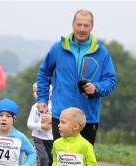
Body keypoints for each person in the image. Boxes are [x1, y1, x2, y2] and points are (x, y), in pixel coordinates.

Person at [37, 9, 117, 145]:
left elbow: (111, 80)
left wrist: (96, 88)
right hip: (61, 116)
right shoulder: (58, 48)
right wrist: (43, 98)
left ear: (92, 27)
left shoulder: (101, 52)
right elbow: (44, 73)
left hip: (87, 117)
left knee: (83, 163)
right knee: (62, 160)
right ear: (73, 24)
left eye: (86, 25)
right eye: (79, 24)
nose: (82, 29)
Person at [27, 82, 53, 166]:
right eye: (34, 91)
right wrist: (41, 126)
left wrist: (51, 123)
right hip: (38, 137)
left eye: (37, 91)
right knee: (43, 158)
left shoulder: (55, 106)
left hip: (51, 138)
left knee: (50, 160)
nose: (35, 94)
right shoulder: (34, 107)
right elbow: (29, 124)